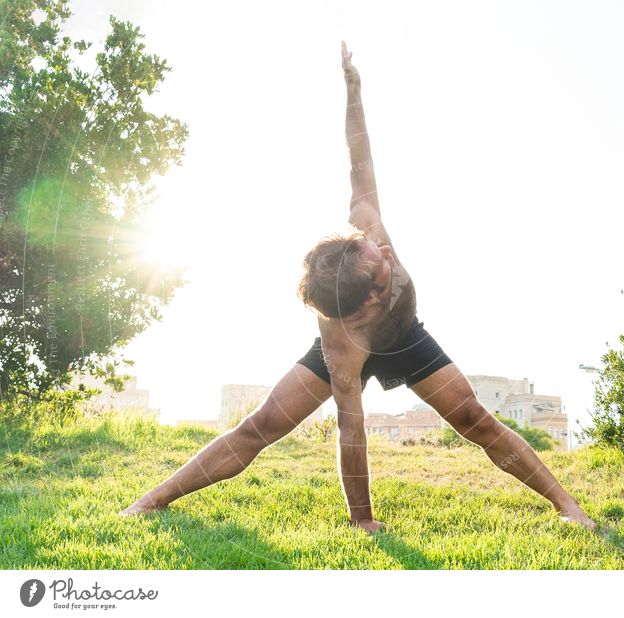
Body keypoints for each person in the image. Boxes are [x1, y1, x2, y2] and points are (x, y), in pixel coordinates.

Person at [121, 42, 596, 533]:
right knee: (261, 426)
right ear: (367, 299)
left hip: (407, 337)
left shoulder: (365, 225)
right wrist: (363, 520)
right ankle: (151, 501)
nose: (386, 251)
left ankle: (568, 506)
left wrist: (353, 89)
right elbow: (352, 430)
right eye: (380, 267)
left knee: (476, 419)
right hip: (357, 348)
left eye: (376, 249)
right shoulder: (340, 343)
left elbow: (358, 155)